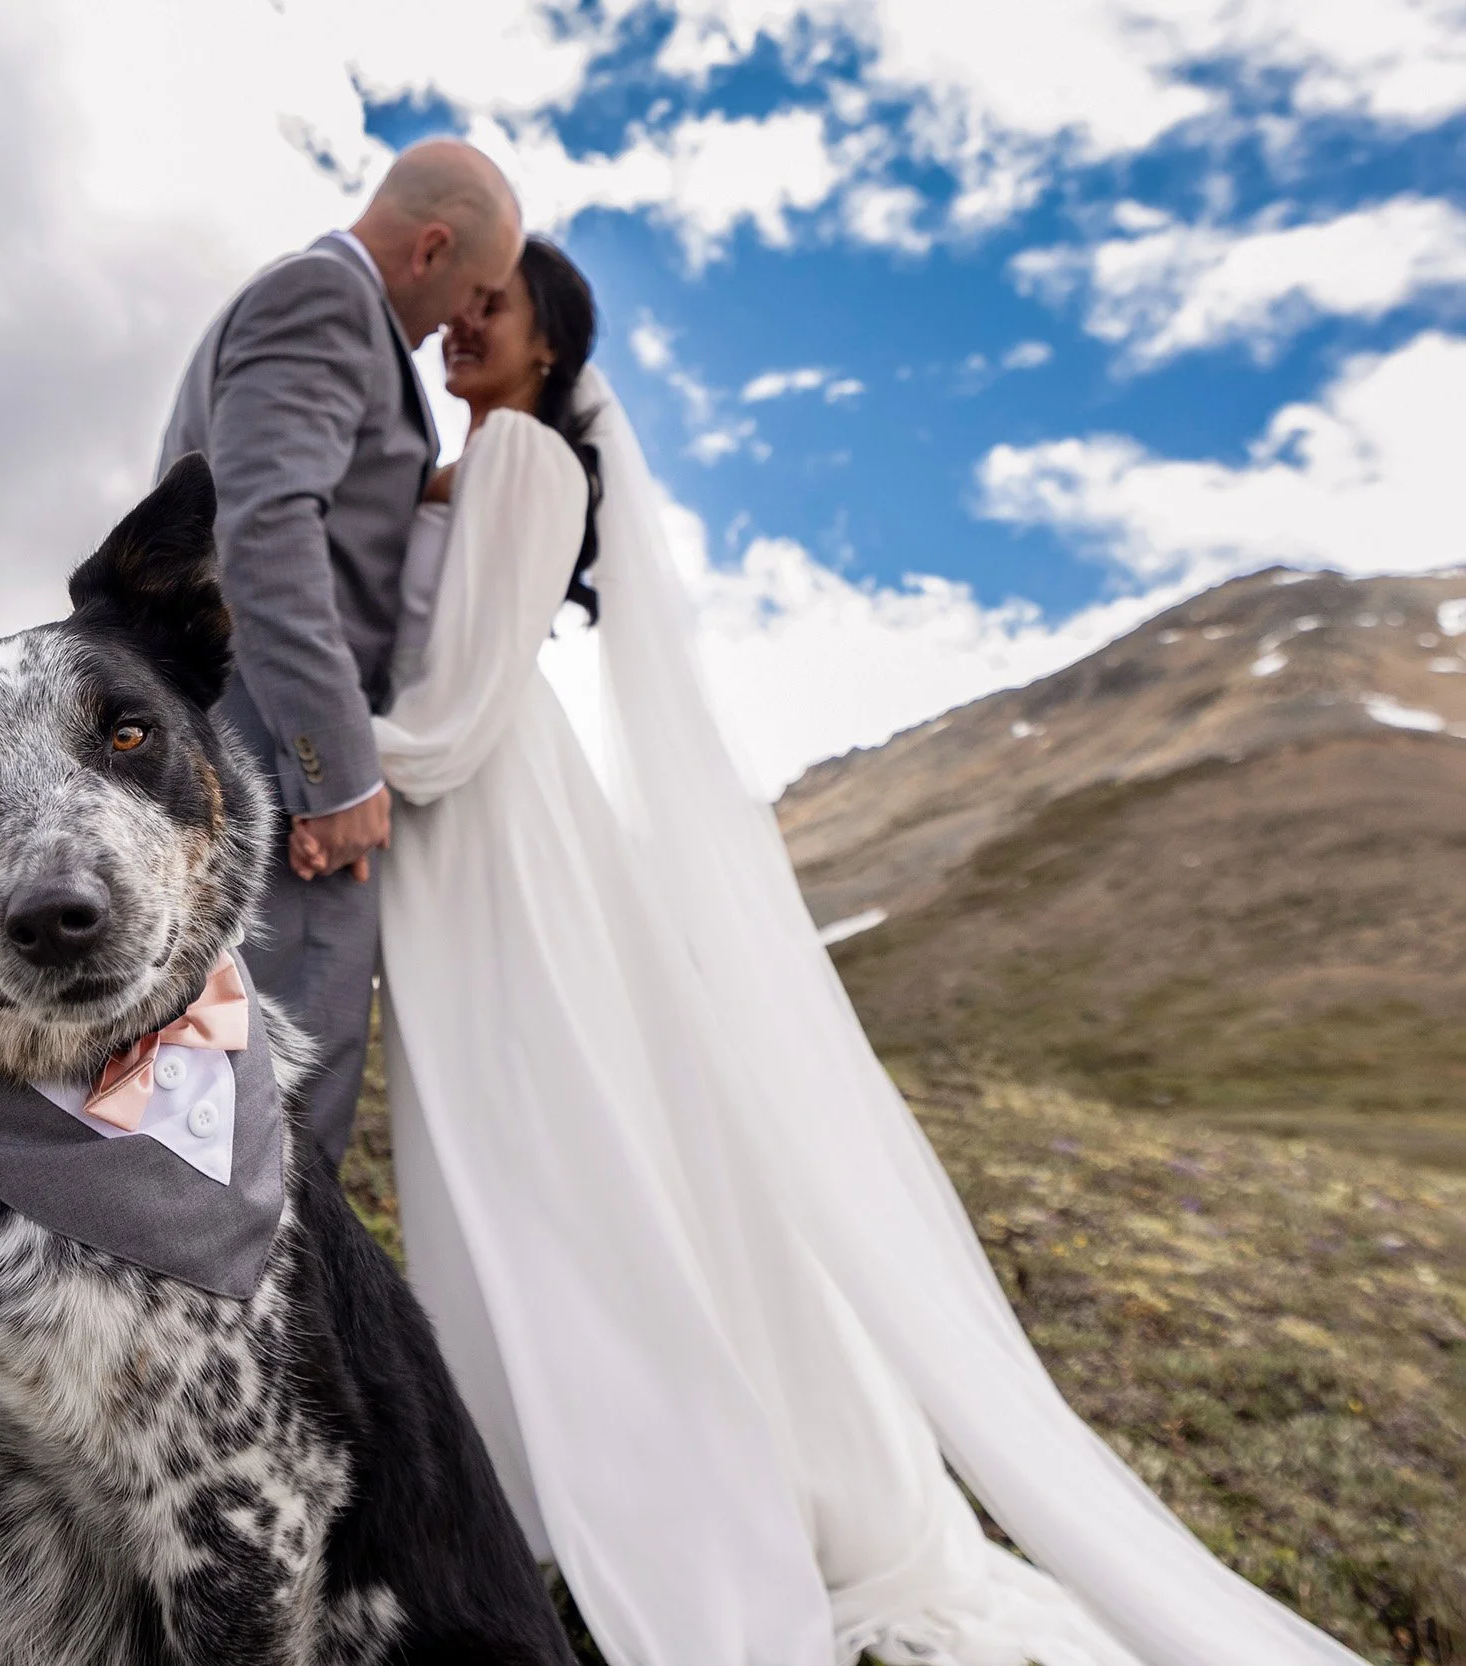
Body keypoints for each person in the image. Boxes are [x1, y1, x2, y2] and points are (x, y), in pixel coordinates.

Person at [358, 234, 1373, 1666]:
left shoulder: (525, 464)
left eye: (497, 304)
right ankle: (550, 1471)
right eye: (462, 299)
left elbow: (457, 712)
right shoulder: (463, 459)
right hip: (474, 826)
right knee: (527, 1146)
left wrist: (316, 760)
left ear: (550, 344)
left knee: (547, 1149)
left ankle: (625, 1488)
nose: (465, 320)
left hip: (491, 821)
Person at [158, 138, 522, 1167]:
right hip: (274, 760)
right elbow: (265, 526)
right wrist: (335, 769)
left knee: (211, 1072)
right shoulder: (326, 301)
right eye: (477, 288)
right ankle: (258, 1319)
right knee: (282, 1078)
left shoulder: (315, 304)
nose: (469, 317)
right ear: (434, 247)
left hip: (239, 743)